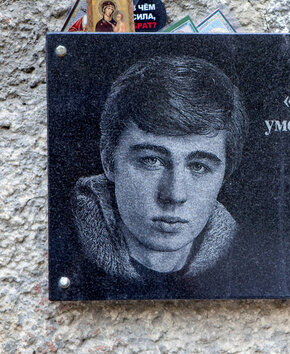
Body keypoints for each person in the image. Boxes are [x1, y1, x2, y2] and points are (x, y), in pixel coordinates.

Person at [71, 56, 248, 293]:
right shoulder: (68, 243)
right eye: (151, 160)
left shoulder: (242, 254)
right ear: (108, 159)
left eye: (199, 166)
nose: (174, 194)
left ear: (225, 171)